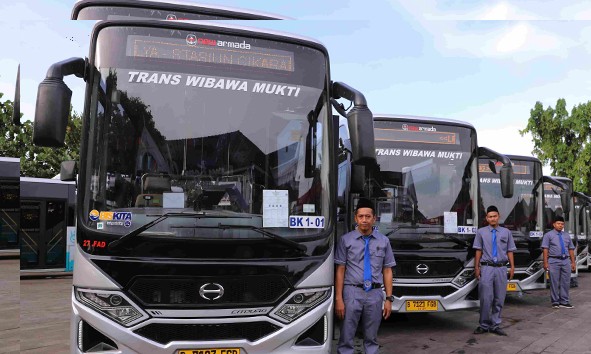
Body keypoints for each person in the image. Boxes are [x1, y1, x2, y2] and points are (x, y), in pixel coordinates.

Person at [335, 198, 396, 354]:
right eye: (361, 216)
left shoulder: (384, 241)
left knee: (372, 338)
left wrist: (389, 299)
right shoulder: (345, 240)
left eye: (368, 216)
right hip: (352, 292)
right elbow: (340, 269)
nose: (364, 220)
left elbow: (387, 270)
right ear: (356, 218)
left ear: (374, 218)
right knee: (346, 337)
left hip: (375, 294)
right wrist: (339, 299)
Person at [473, 205, 516, 336]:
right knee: (486, 298)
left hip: (501, 269)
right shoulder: (481, 232)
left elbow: (510, 250)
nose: (493, 219)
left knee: (499, 298)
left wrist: (512, 267)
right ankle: (483, 325)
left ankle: (495, 324)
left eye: (495, 216)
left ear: (498, 216)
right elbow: (478, 250)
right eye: (490, 217)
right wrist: (477, 267)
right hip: (486, 268)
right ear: (487, 218)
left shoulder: (506, 232)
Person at [542, 216, 576, 309]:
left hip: (566, 261)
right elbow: (545, 249)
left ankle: (564, 301)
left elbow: (571, 249)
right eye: (558, 223)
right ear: (554, 224)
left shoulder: (566, 235)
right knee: (554, 282)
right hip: (553, 261)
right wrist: (545, 262)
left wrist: (573, 262)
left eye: (562, 224)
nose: (560, 225)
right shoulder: (548, 235)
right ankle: (555, 301)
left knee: (565, 282)